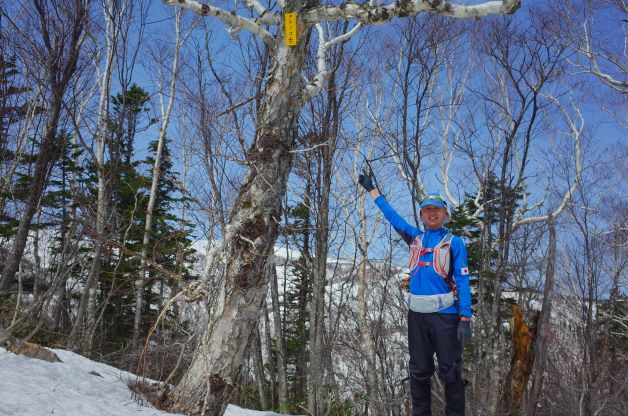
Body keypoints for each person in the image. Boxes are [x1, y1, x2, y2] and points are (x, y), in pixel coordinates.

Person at [358, 168, 472, 416]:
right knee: (419, 372)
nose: (432, 213)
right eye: (427, 210)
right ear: (421, 215)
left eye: (437, 210)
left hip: (445, 316)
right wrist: (371, 189)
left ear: (445, 214)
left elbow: (463, 280)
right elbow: (392, 216)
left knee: (450, 371)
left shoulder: (454, 242)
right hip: (417, 316)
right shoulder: (414, 238)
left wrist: (465, 317)